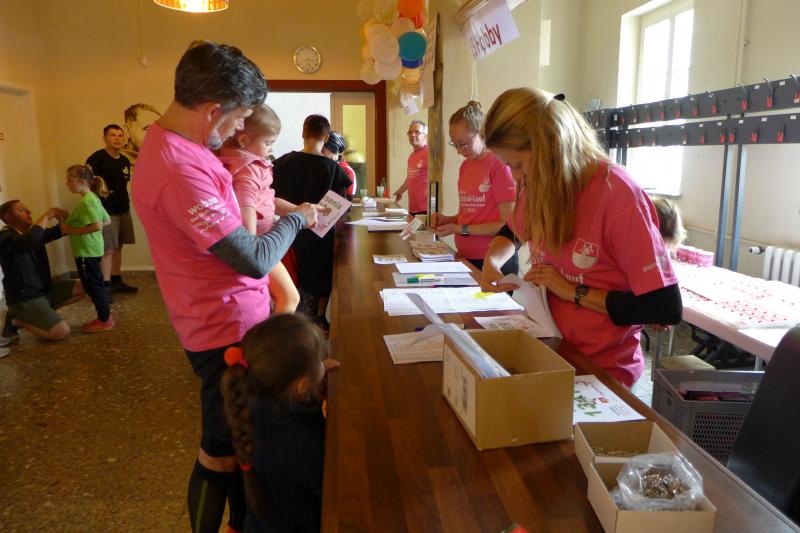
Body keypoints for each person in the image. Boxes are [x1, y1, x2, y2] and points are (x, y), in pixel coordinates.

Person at [131, 40, 321, 533]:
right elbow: (253, 257)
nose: (240, 131)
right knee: (219, 452)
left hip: (236, 317)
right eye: (239, 119)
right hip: (221, 325)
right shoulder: (177, 167)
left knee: (242, 446)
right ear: (214, 110)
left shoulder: (190, 148)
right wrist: (297, 220)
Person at [479, 88, 682, 387]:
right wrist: (491, 262)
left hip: (601, 369)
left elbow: (664, 307)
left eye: (518, 165)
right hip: (554, 348)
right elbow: (513, 230)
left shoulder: (617, 194)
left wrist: (571, 290)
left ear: (549, 147)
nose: (516, 177)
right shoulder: (539, 184)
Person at [221, 313, 338, 533]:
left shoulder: (250, 400)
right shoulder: (303, 447)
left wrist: (317, 371)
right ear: (302, 385)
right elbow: (332, 500)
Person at [272, 114, 352, 331]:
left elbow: (269, 197)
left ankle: (293, 320)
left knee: (291, 277)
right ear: (326, 138)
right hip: (319, 233)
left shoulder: (283, 163)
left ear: (303, 133)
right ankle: (319, 318)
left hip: (288, 230)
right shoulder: (333, 168)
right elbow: (340, 205)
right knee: (320, 276)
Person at [218, 104, 299, 313]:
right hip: (259, 243)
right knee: (289, 297)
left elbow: (268, 200)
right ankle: (277, 332)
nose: (271, 149)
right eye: (268, 143)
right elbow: (246, 205)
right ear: (244, 140)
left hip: (257, 241)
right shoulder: (250, 168)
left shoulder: (236, 160)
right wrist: (251, 244)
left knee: (279, 297)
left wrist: (297, 210)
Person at [431, 101, 518, 275]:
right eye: (455, 144)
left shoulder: (498, 165)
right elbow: (470, 215)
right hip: (466, 256)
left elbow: (507, 225)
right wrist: (449, 220)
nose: (459, 151)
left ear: (481, 133)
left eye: (463, 143)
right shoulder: (466, 167)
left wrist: (459, 229)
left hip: (494, 260)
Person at [0, 200, 84, 342]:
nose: (29, 212)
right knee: (62, 332)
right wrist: (47, 215)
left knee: (86, 285)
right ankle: (16, 320)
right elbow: (30, 240)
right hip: (25, 299)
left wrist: (65, 218)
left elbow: (60, 230)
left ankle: (40, 314)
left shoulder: (30, 233)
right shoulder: (4, 237)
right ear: (8, 217)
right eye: (21, 210)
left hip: (45, 291)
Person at [61, 164, 114, 333]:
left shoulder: (86, 202)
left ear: (82, 182)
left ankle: (104, 320)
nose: (67, 184)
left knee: (93, 286)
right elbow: (107, 220)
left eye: (70, 180)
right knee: (94, 284)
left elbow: (97, 226)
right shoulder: (93, 198)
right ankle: (105, 317)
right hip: (92, 249)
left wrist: (71, 230)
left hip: (86, 251)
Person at [86, 124, 138, 294]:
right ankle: (105, 286)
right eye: (113, 135)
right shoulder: (97, 158)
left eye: (120, 135)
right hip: (106, 212)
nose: (117, 138)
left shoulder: (124, 160)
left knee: (118, 246)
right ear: (104, 138)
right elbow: (87, 184)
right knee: (107, 249)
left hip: (123, 209)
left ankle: (116, 280)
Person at [392, 120, 429, 214]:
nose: (412, 135)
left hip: (425, 209)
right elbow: (410, 178)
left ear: (425, 135)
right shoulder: (411, 156)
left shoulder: (429, 153)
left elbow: (436, 179)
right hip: (413, 208)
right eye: (410, 132)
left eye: (417, 132)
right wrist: (401, 191)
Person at [321, 130, 357, 198]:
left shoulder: (347, 171)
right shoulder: (319, 164)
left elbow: (348, 198)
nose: (321, 150)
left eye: (323, 146)